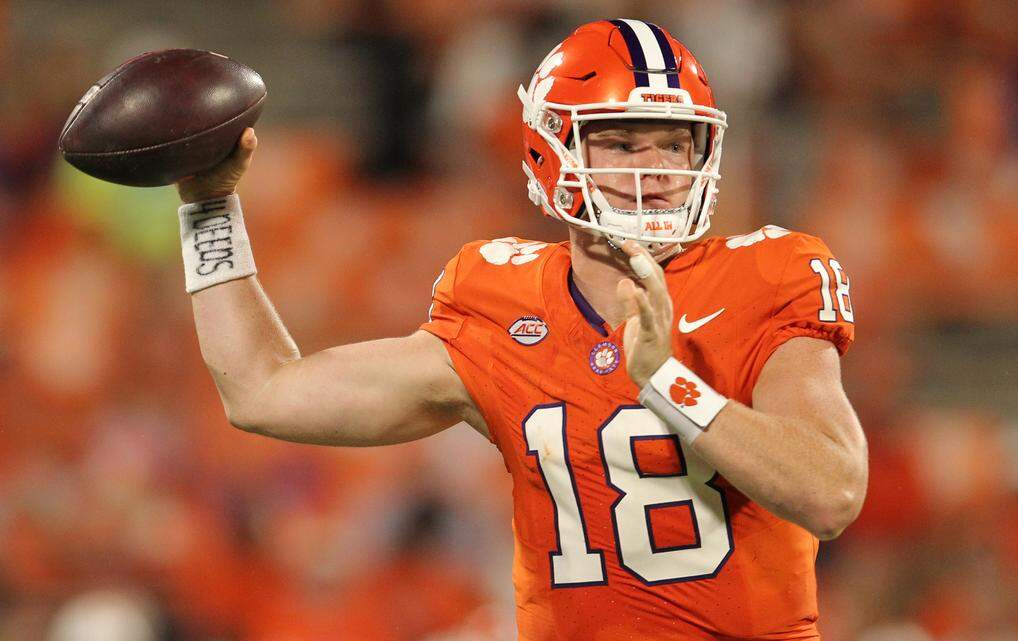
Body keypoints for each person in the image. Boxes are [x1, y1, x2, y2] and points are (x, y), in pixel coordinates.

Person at [176, 19, 867, 641]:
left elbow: (831, 489)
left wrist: (668, 383)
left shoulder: (768, 277)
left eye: (675, 144)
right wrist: (210, 210)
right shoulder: (500, 301)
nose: (655, 170)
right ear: (551, 150)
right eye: (623, 143)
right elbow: (262, 392)